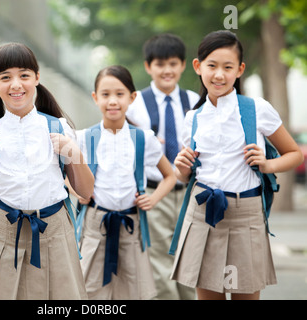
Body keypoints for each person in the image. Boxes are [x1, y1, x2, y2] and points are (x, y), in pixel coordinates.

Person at [170, 30, 304, 300]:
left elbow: (294, 153)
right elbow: (186, 175)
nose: (219, 74)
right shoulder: (192, 118)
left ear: (240, 70)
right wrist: (181, 167)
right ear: (198, 66)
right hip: (202, 212)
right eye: (212, 66)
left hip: (247, 214)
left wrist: (267, 164)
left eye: (228, 67)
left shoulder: (257, 109)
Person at [0, 42, 94, 300]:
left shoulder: (58, 128)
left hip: (54, 230)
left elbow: (86, 191)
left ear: (37, 78)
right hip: (1, 231)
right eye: (5, 77)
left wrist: (74, 153)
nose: (16, 85)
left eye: (24, 75)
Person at [74, 65, 177, 299]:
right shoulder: (83, 138)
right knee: (90, 289)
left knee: (132, 289)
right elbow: (63, 175)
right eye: (106, 94)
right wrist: (76, 191)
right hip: (94, 223)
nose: (113, 101)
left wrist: (153, 198)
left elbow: (170, 175)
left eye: (120, 94)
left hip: (131, 224)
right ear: (95, 97)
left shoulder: (143, 138)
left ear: (132, 97)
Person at [126, 33, 198, 299]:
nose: (167, 70)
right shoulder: (132, 105)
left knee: (190, 263)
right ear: (148, 67)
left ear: (183, 65)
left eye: (173, 63)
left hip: (191, 193)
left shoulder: (195, 102)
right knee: (159, 263)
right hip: (155, 193)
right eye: (159, 64)